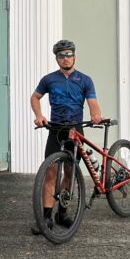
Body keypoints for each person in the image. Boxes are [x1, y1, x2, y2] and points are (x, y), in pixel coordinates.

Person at [30, 39, 102, 233]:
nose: (65, 58)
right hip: (56, 129)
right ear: (57, 59)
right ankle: (46, 217)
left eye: (69, 54)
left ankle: (62, 213)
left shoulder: (85, 80)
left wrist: (96, 114)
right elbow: (35, 97)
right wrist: (39, 116)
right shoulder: (49, 79)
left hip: (75, 129)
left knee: (70, 172)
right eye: (61, 55)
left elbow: (92, 101)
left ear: (74, 56)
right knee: (51, 172)